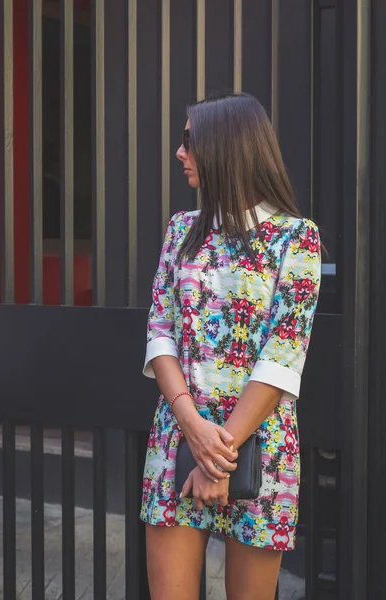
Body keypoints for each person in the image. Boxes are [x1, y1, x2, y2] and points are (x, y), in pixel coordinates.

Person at [140, 91, 321, 600]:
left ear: (228, 147)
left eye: (189, 141)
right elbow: (160, 334)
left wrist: (218, 454)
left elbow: (283, 358)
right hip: (178, 438)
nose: (180, 153)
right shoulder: (182, 231)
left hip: (262, 446)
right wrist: (194, 429)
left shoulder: (295, 239)